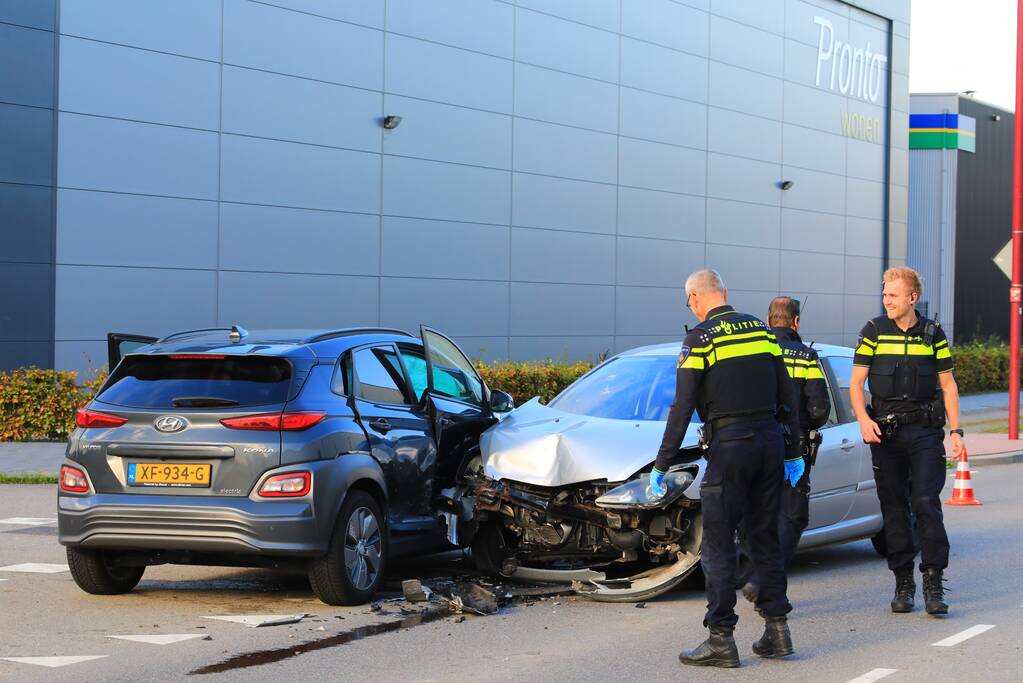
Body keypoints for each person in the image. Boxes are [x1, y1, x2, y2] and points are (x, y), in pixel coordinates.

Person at [650, 270, 803, 668]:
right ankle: (777, 632)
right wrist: (793, 451)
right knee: (765, 538)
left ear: (694, 299)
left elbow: (682, 407)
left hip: (730, 447)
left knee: (717, 544)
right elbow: (787, 396)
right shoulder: (762, 331)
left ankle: (720, 639)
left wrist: (662, 464)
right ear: (726, 294)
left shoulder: (699, 338)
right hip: (769, 444)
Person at [849, 267, 964, 616]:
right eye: (885, 294)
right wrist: (864, 421)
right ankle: (903, 581)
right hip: (885, 434)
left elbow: (948, 385)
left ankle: (932, 579)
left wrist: (957, 432)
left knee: (926, 501)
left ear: (912, 298)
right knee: (894, 506)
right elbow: (856, 384)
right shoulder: (873, 331)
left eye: (893, 295)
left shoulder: (933, 333)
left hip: (925, 432)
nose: (887, 300)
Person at [739, 297, 831, 602]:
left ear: (768, 319)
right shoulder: (805, 356)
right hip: (793, 447)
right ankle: (765, 578)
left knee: (757, 515)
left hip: (754, 443)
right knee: (792, 517)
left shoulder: (751, 350)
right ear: (796, 323)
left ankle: (761, 579)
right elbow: (820, 409)